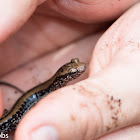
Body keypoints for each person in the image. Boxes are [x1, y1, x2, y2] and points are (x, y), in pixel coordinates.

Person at [0, 0, 140, 140]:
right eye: (74, 72)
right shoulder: (55, 85)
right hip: (8, 123)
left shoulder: (55, 84)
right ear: (64, 77)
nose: (80, 68)